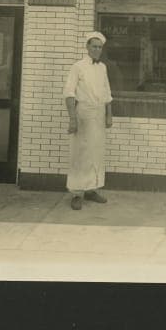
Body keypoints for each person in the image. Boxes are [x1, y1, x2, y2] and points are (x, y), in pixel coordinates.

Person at [63, 31, 114, 210]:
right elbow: (69, 94)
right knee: (81, 154)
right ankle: (77, 193)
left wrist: (109, 114)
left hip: (99, 115)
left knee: (96, 152)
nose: (97, 50)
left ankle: (92, 189)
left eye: (100, 47)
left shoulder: (103, 68)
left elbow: (107, 93)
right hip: (83, 114)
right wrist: (72, 119)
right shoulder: (77, 66)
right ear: (87, 47)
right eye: (94, 46)